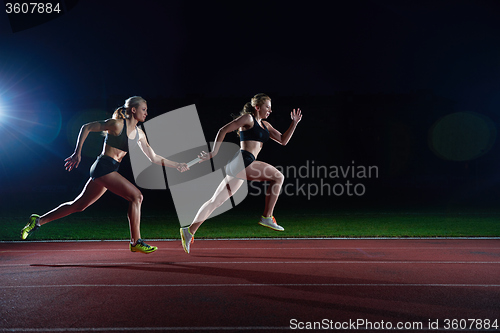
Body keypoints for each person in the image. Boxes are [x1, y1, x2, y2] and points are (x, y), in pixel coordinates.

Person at [21, 96, 188, 254]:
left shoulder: (140, 134)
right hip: (103, 167)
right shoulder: (116, 125)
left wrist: (177, 165)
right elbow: (86, 127)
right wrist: (77, 153)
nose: (146, 113)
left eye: (146, 110)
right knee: (136, 197)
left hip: (110, 170)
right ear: (132, 110)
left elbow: (154, 157)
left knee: (79, 205)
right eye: (143, 109)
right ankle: (135, 242)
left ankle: (38, 220)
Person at [180, 93, 302, 253]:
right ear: (257, 107)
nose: (270, 110)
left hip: (238, 165)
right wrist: (213, 153)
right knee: (278, 176)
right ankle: (267, 216)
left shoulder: (265, 125)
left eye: (271, 108)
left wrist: (294, 123)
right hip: (244, 161)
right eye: (267, 107)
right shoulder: (248, 119)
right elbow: (223, 130)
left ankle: (188, 231)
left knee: (215, 201)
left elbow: (283, 140)